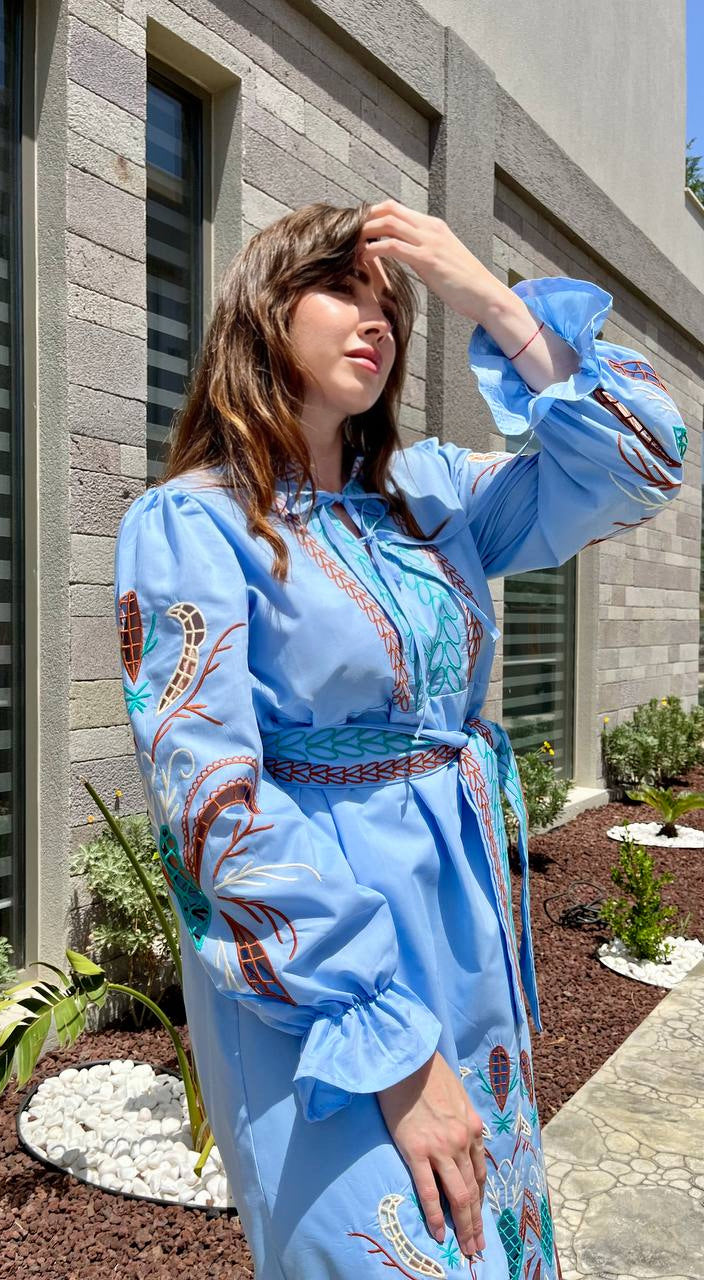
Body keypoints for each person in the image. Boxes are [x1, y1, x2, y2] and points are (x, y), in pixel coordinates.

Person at [113, 198, 686, 1279]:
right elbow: (211, 801)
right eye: (341, 289)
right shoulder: (192, 522)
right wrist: (392, 1048)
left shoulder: (433, 498)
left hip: (464, 929)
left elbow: (647, 459)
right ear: (264, 310)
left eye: (393, 306)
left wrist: (493, 301)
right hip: (314, 966)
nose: (376, 320)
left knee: (488, 1242)